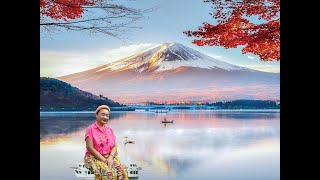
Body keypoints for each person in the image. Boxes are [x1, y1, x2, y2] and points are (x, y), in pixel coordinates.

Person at [84, 105, 128, 180]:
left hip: (109, 156)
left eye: (107, 115)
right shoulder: (90, 129)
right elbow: (90, 148)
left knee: (121, 172)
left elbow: (114, 146)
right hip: (93, 157)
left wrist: (110, 158)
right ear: (97, 115)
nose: (105, 117)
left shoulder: (109, 130)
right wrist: (104, 161)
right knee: (108, 173)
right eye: (103, 114)